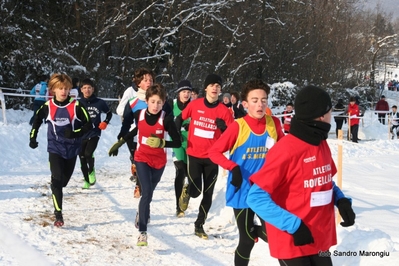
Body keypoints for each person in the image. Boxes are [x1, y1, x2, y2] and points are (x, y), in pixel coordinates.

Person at [246, 85, 356, 266]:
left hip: (319, 237)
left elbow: (326, 181)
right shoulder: (285, 150)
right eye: (330, 111)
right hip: (293, 240)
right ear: (321, 116)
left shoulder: (321, 144)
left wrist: (341, 201)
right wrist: (293, 225)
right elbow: (256, 198)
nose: (332, 116)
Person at [209, 79, 284, 266]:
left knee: (276, 237)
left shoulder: (274, 123)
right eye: (255, 100)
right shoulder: (238, 126)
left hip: (267, 191)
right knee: (246, 240)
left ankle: (254, 231)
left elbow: (285, 151)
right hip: (242, 189)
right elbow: (214, 152)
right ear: (245, 104)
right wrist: (233, 168)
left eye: (263, 100)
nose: (260, 104)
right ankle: (250, 233)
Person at [112, 84, 181, 246]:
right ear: (147, 101)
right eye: (153, 102)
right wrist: (121, 141)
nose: (156, 105)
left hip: (159, 162)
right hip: (141, 158)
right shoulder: (139, 114)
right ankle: (142, 232)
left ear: (163, 103)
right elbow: (137, 129)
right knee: (147, 191)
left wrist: (162, 142)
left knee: (148, 195)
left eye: (159, 102)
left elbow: (177, 142)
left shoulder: (166, 119)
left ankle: (141, 212)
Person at [28, 73, 93, 227]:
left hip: (71, 149)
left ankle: (57, 186)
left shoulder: (77, 106)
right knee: (56, 181)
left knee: (63, 182)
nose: (63, 91)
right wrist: (33, 137)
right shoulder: (48, 106)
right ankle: (58, 215)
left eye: (66, 88)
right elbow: (37, 121)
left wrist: (75, 133)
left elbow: (89, 125)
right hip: (55, 148)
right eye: (60, 89)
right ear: (53, 91)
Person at [175, 74, 234, 239]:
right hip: (193, 154)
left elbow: (233, 134)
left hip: (212, 158)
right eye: (212, 85)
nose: (215, 88)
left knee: (208, 193)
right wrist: (177, 135)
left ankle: (199, 225)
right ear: (206, 88)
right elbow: (179, 119)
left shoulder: (224, 111)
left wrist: (223, 129)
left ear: (220, 90)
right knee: (196, 192)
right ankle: (187, 190)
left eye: (218, 85)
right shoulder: (195, 105)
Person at [117, 68, 155, 198]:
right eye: (145, 80)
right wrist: (131, 116)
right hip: (134, 133)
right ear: (139, 82)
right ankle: (139, 185)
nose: (149, 82)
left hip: (153, 137)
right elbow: (120, 109)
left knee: (149, 164)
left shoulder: (156, 97)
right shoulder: (131, 94)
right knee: (139, 160)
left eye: (150, 80)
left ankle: (140, 177)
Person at [79, 78, 113, 189]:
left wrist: (105, 122)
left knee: (88, 153)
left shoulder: (99, 102)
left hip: (95, 132)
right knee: (82, 156)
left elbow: (109, 113)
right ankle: (86, 180)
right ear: (81, 90)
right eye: (84, 88)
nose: (87, 90)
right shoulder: (78, 103)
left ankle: (91, 171)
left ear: (93, 89)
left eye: (89, 88)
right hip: (82, 133)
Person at [171, 80, 192, 217]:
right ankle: (178, 206)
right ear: (179, 93)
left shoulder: (194, 105)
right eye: (183, 92)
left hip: (191, 142)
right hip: (177, 142)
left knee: (190, 173)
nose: (186, 94)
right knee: (180, 171)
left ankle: (186, 193)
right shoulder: (171, 104)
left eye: (188, 92)